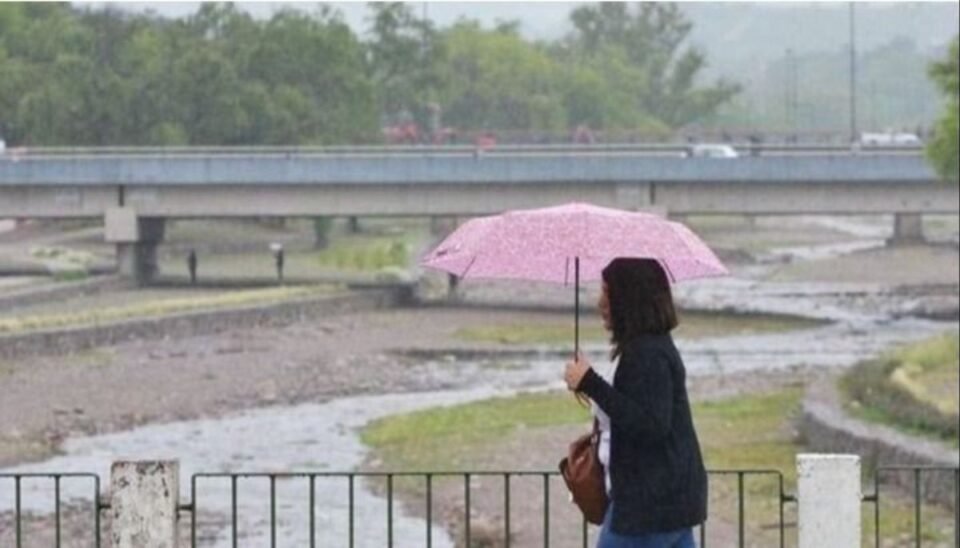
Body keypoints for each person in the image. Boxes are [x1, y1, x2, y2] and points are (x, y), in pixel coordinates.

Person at [564, 258, 707, 548]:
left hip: (647, 508)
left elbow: (651, 425)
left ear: (628, 299)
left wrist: (590, 382)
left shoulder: (646, 354)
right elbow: (635, 410)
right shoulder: (651, 347)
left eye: (607, 292)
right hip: (670, 502)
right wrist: (587, 385)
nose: (600, 302)